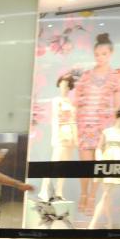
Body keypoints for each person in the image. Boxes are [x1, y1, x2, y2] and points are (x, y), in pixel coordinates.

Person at [74, 33, 120, 214]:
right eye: (97, 54)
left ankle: (92, 196)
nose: (100, 57)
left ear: (110, 53)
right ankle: (83, 193)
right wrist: (75, 123)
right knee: (84, 165)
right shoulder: (86, 76)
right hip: (85, 124)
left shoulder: (116, 76)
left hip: (104, 127)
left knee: (97, 164)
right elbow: (76, 100)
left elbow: (118, 105)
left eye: (104, 54)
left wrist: (117, 129)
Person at [38, 72, 78, 202]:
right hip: (60, 134)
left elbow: (73, 121)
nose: (64, 88)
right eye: (62, 85)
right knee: (54, 163)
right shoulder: (56, 101)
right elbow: (55, 119)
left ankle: (59, 191)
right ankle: (44, 191)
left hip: (69, 135)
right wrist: (54, 136)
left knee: (64, 165)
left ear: (69, 87)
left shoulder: (71, 103)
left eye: (67, 85)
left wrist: (75, 138)